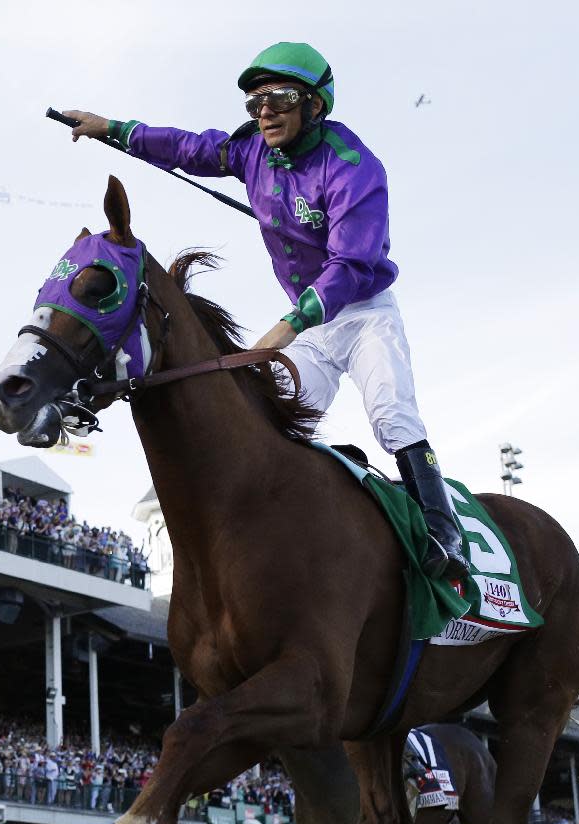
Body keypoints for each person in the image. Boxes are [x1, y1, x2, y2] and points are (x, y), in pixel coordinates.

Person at [63, 41, 467, 580]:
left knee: (392, 414)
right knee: (275, 423)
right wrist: (109, 127)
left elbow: (350, 265)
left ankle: (445, 532)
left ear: (314, 104)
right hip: (312, 324)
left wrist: (287, 326)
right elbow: (187, 147)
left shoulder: (354, 167)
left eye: (277, 98)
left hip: (363, 313)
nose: (264, 113)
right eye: (254, 104)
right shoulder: (251, 150)